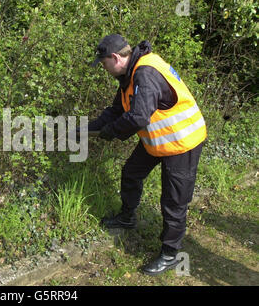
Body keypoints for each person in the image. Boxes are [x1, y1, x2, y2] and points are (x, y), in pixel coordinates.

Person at [88, 34, 207, 276]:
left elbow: (139, 117)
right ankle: (127, 217)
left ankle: (170, 253)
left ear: (115, 58)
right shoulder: (129, 75)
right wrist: (86, 128)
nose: (103, 68)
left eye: (103, 63)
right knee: (131, 172)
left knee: (174, 200)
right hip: (158, 139)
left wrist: (111, 132)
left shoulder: (145, 73)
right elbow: (115, 111)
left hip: (183, 141)